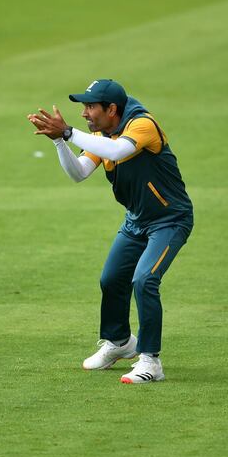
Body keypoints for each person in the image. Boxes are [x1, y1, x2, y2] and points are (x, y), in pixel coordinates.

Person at [28, 79, 194, 384]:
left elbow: (118, 151)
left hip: (170, 219)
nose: (84, 114)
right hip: (137, 221)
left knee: (144, 280)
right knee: (112, 279)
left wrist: (67, 132)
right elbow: (78, 173)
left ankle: (150, 361)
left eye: (91, 107)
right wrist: (58, 141)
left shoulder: (142, 125)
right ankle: (119, 343)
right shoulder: (100, 134)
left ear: (112, 109)